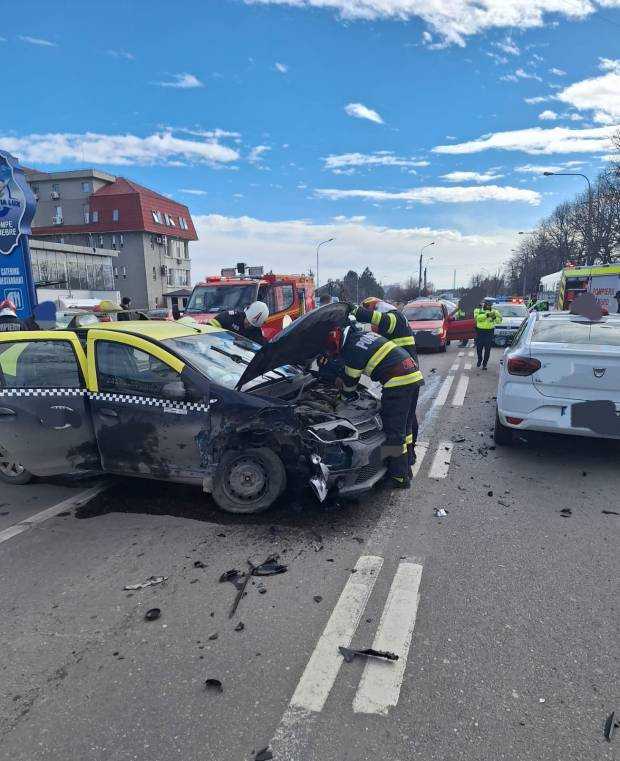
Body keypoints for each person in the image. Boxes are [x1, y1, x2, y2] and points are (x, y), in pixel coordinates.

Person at [328, 323, 423, 489]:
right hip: (413, 376)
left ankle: (399, 477)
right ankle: (408, 463)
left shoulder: (351, 350)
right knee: (405, 428)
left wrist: (339, 400)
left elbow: (349, 388)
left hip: (397, 382)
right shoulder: (362, 337)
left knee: (394, 433)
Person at [351, 297, 423, 472]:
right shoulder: (398, 320)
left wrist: (354, 311)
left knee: (395, 429)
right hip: (410, 375)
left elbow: (382, 321)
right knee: (406, 424)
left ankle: (398, 472)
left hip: (400, 379)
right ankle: (408, 458)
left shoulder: (394, 317)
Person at [473, 299, 502, 370]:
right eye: (487, 305)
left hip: (489, 331)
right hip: (480, 331)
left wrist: (494, 317)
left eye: (490, 305)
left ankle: (484, 364)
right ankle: (480, 359)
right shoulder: (478, 310)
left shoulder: (494, 311)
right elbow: (477, 319)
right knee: (479, 348)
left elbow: (499, 320)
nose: (488, 307)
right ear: (484, 305)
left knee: (487, 349)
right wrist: (487, 315)